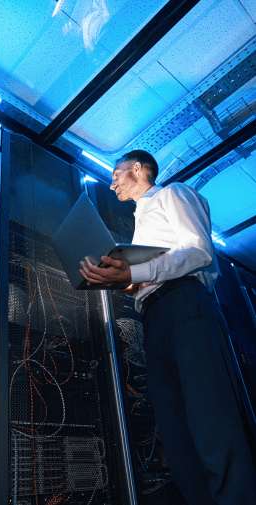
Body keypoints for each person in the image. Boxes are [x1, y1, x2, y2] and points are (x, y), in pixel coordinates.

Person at [79, 150, 256, 504]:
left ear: (138, 169)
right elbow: (148, 277)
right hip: (154, 318)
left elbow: (198, 251)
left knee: (212, 420)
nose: (112, 183)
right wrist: (122, 281)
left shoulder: (173, 193)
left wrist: (133, 272)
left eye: (117, 175)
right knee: (175, 433)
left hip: (185, 305)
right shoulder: (140, 222)